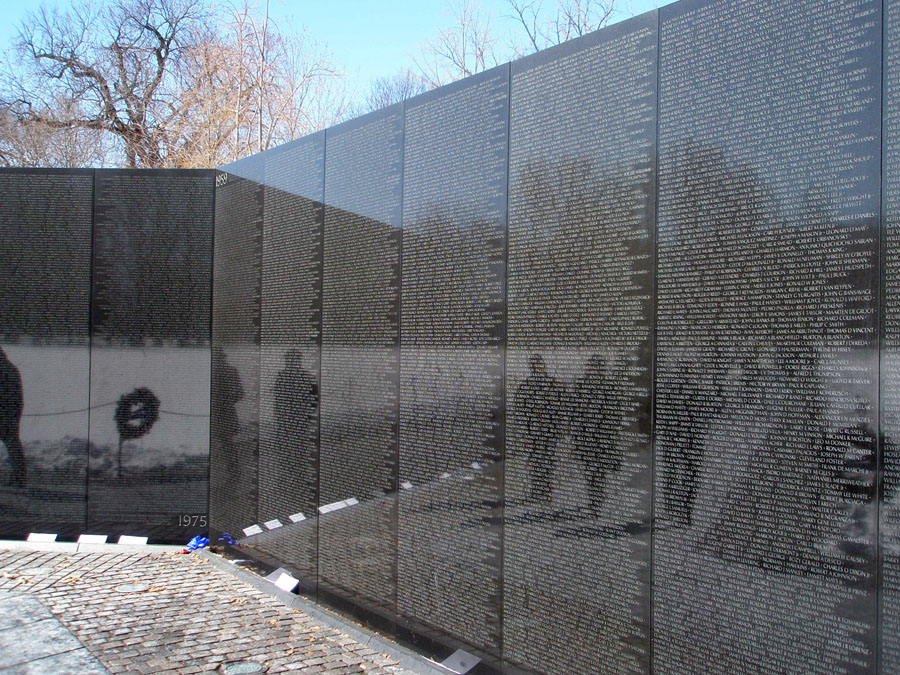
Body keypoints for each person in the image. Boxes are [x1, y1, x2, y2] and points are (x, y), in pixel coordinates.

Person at [515, 354, 563, 503]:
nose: (536, 369)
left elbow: (560, 407)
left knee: (547, 461)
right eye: (533, 367)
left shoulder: (553, 384)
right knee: (535, 461)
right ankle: (537, 490)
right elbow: (519, 407)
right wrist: (524, 429)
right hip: (533, 431)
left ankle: (547, 490)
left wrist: (557, 427)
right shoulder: (525, 386)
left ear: (543, 367)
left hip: (549, 431)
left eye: (538, 366)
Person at [0, 347, 25, 487]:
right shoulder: (10, 368)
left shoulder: (6, 369)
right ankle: (19, 477)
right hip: (11, 412)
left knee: (12, 443)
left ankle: (18, 477)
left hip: (6, 412)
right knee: (13, 443)